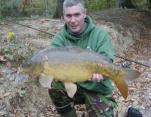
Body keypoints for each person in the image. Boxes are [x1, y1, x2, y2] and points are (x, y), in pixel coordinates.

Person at [48, 0, 117, 116]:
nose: (73, 20)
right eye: (68, 15)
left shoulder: (100, 34)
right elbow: (50, 58)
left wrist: (102, 74)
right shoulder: (59, 39)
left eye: (77, 14)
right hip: (76, 88)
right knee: (53, 83)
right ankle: (73, 113)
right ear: (62, 16)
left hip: (96, 89)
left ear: (85, 13)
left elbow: (107, 60)